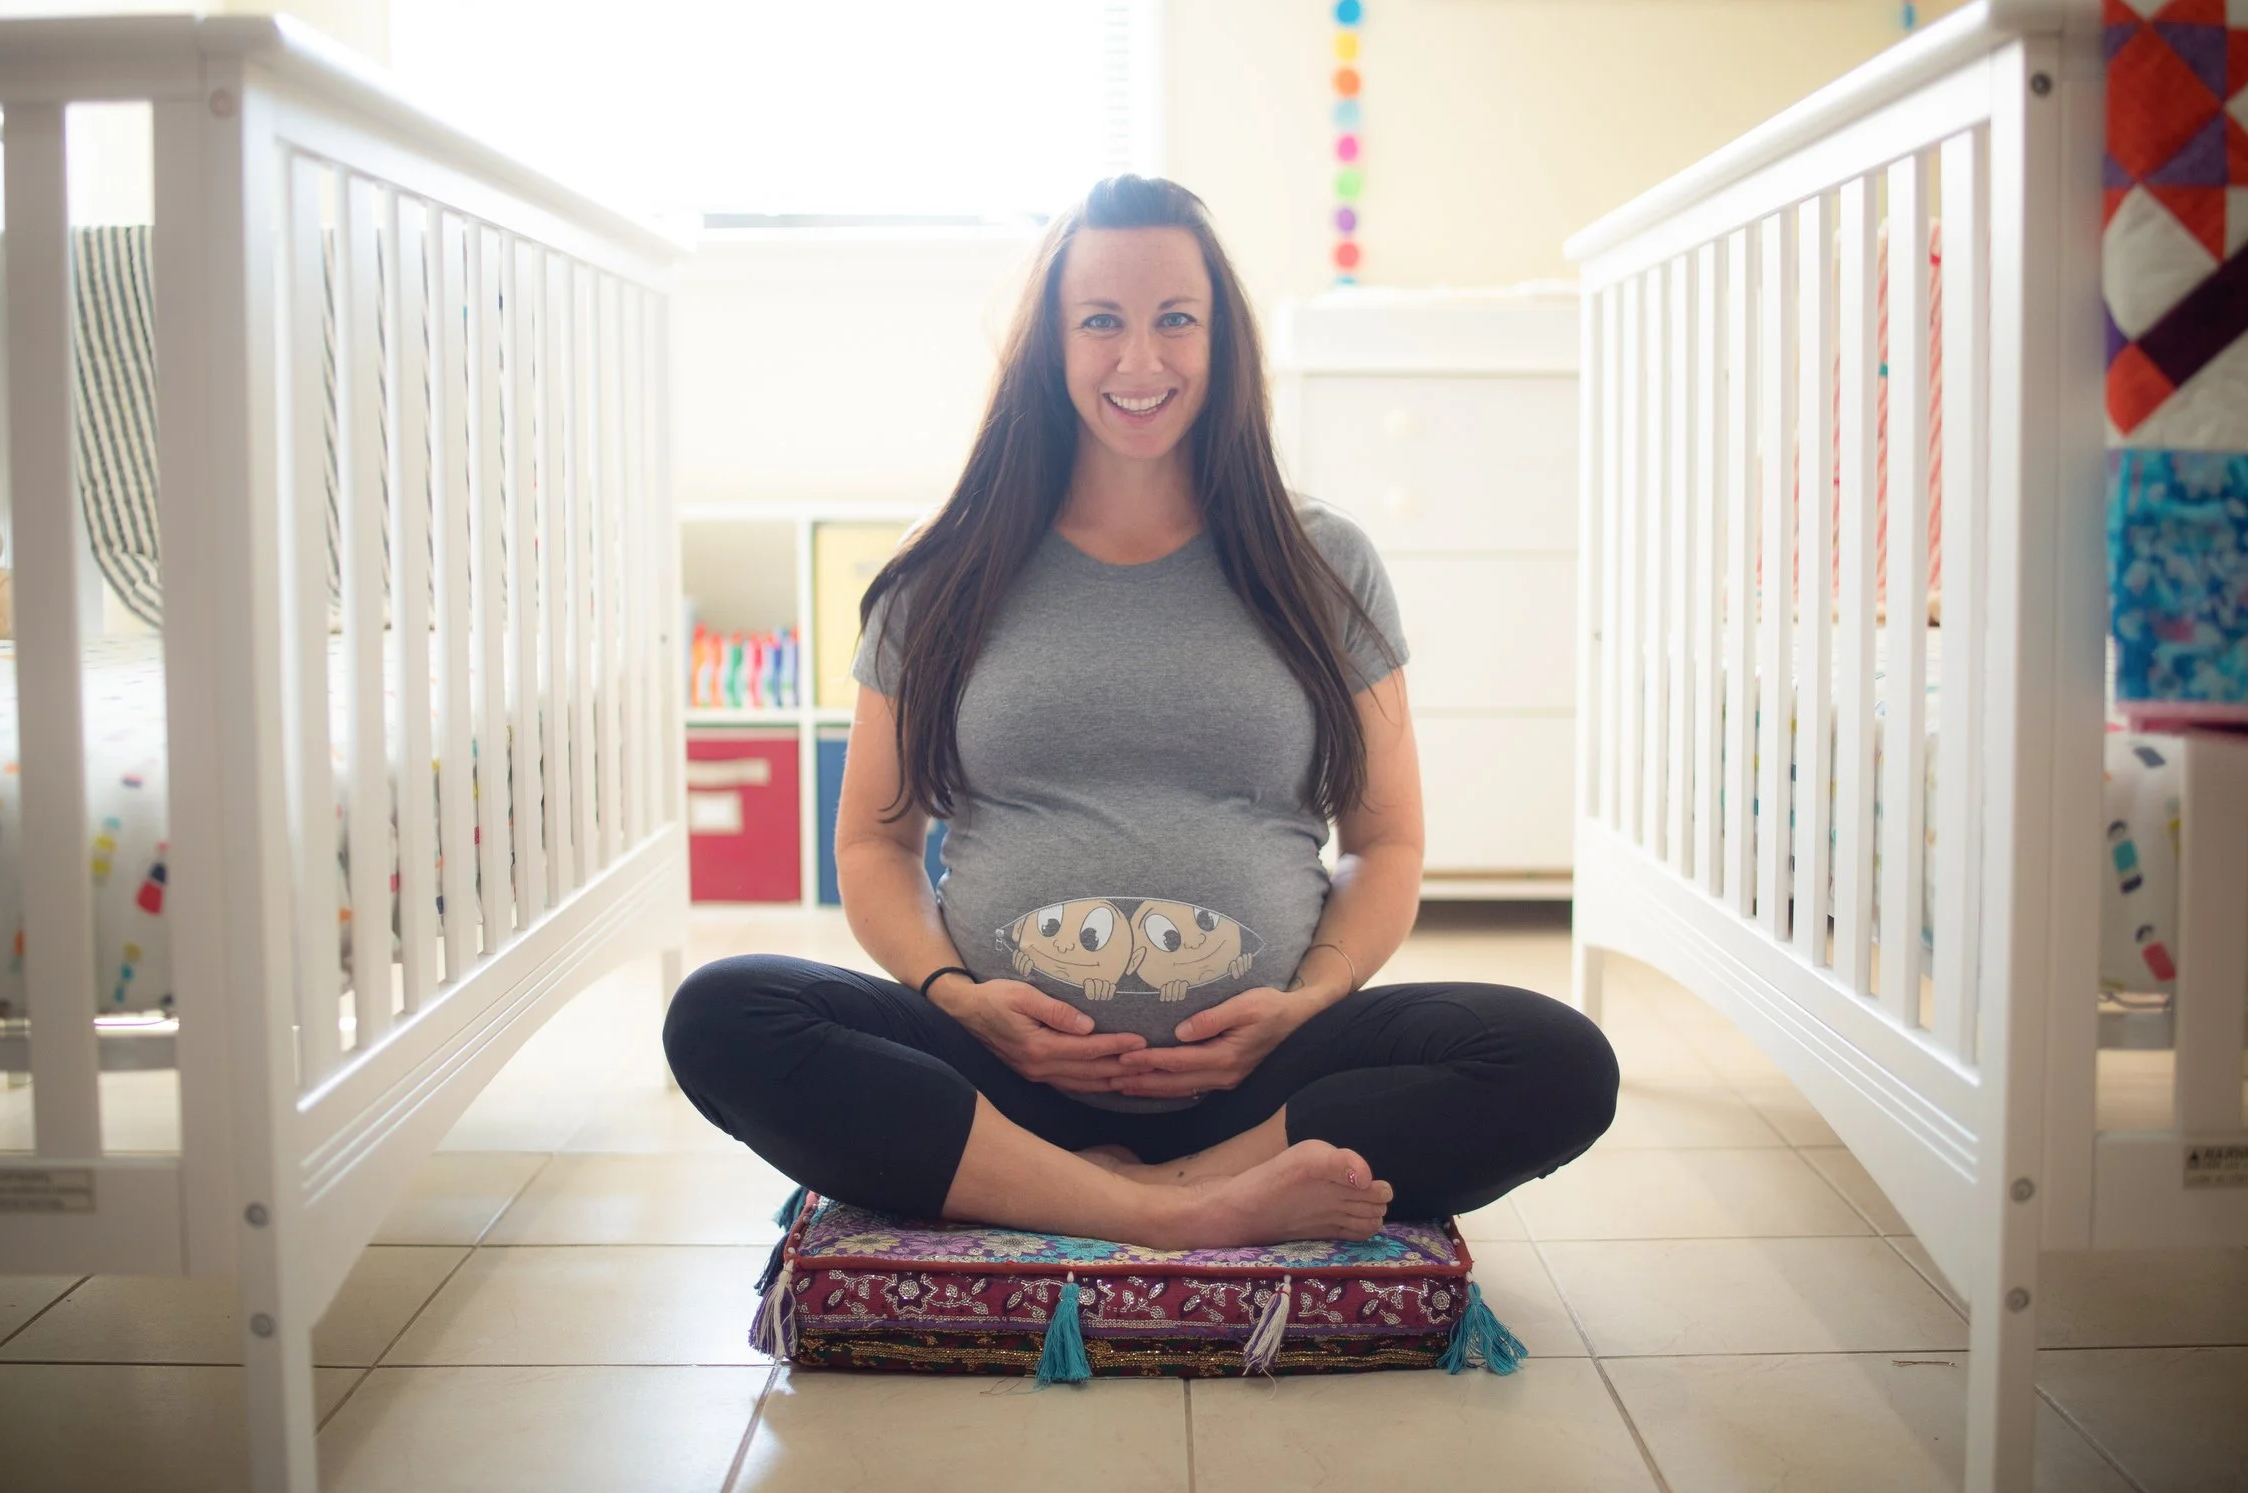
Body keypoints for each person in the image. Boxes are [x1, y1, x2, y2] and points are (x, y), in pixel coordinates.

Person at [664, 175, 1617, 1249]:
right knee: (723, 1012)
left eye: (1175, 320)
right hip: (1001, 1075)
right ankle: (1174, 1211)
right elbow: (875, 841)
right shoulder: (937, 575)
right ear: (1050, 346)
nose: (1140, 360)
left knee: (1558, 1060)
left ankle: (1158, 1182)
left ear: (1222, 342)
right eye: (1100, 322)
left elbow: (1387, 839)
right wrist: (956, 994)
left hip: (1265, 1082)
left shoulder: (1324, 562)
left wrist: (1306, 1001)